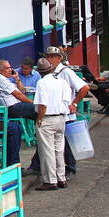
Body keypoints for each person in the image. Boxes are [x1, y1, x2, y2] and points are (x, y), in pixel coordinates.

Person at [26, 46, 84, 176]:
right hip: (55, 114)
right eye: (47, 56)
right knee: (49, 143)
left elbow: (84, 88)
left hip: (63, 114)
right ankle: (38, 166)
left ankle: (68, 170)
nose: (49, 59)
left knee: (65, 146)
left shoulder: (65, 72)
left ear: (59, 58)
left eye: (52, 56)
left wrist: (74, 103)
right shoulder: (49, 74)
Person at [31, 57, 70, 190]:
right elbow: (67, 100)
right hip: (61, 118)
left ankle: (50, 181)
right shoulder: (61, 81)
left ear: (40, 72)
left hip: (47, 119)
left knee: (47, 151)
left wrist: (39, 119)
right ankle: (61, 178)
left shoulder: (42, 83)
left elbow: (42, 104)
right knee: (59, 150)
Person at [0, 59, 33, 167]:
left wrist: (17, 79)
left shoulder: (7, 79)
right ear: (1, 70)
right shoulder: (0, 79)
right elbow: (19, 96)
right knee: (39, 111)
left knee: (19, 126)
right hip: (11, 108)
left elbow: (22, 92)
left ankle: (14, 163)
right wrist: (34, 104)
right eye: (8, 68)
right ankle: (13, 163)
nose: (11, 69)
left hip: (17, 106)